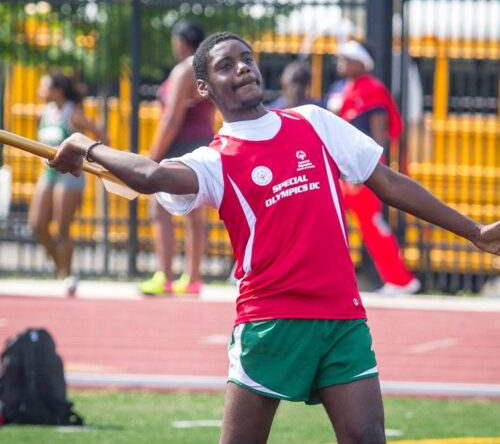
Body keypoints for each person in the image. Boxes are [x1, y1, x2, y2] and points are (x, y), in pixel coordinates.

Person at [48, 31, 500, 443]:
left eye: (247, 59)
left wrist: (475, 232)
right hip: (270, 322)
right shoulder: (214, 161)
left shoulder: (313, 123)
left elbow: (389, 183)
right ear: (204, 88)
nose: (242, 68)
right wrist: (85, 145)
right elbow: (148, 176)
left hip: (341, 317)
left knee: (366, 439)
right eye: (226, 65)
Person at [324, 40, 419, 295]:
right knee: (325, 221)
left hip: (360, 170)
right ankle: (327, 279)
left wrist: (368, 172)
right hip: (336, 168)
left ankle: (401, 280)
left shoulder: (372, 89)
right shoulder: (338, 88)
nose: (341, 61)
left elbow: (380, 135)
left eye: (347, 57)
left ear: (362, 62)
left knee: (371, 224)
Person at [139, 20, 215, 297]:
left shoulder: (184, 69)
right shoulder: (204, 69)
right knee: (195, 213)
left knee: (159, 209)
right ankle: (193, 278)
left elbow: (171, 118)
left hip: (180, 145)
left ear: (181, 42)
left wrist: (153, 156)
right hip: (200, 143)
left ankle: (165, 276)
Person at [28, 70, 108, 296]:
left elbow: (102, 136)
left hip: (70, 176)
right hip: (49, 174)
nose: (40, 91)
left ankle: (66, 276)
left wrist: (89, 159)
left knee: (63, 229)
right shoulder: (44, 112)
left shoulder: (74, 114)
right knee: (36, 224)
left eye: (44, 87)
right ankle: (62, 270)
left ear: (57, 90)